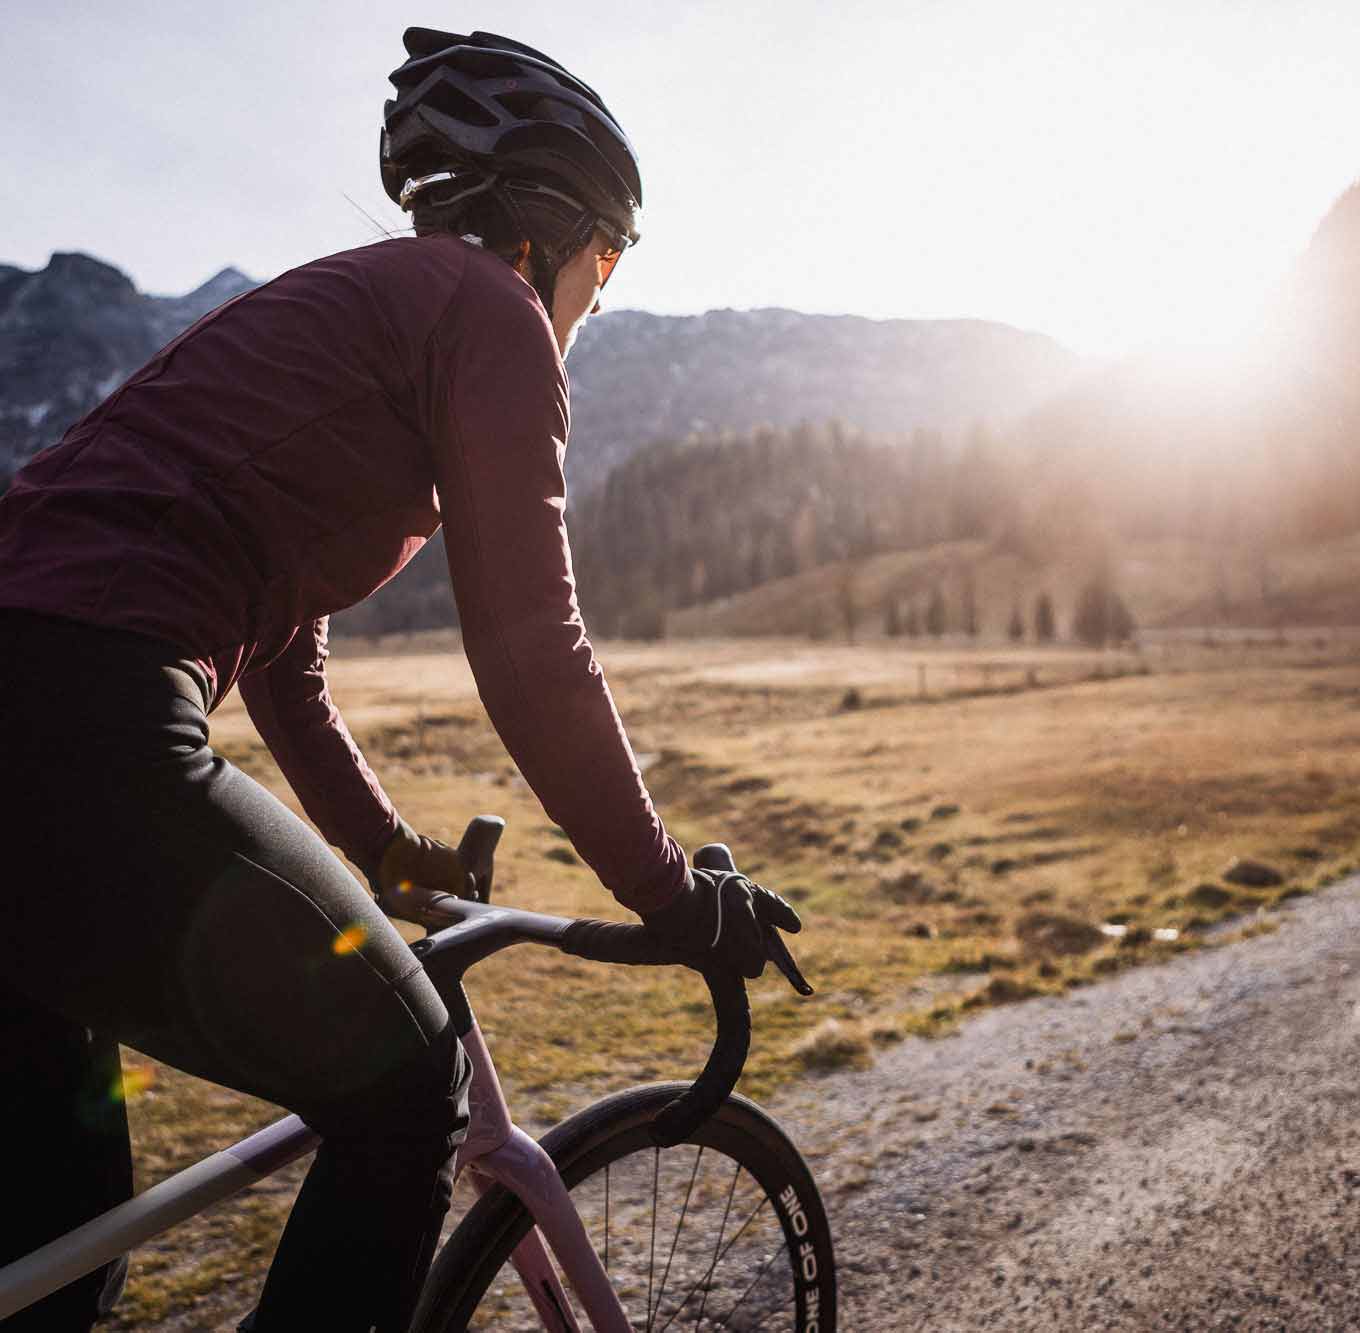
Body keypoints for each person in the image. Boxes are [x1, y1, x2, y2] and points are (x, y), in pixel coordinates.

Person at [0, 27, 799, 1333]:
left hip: (36, 706)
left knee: (59, 1243)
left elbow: (290, 670)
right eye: (606, 263)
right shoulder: (488, 314)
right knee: (405, 1074)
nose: (594, 304)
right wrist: (673, 891)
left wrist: (386, 847)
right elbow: (534, 652)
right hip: (80, 712)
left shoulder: (365, 311)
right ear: (547, 233)